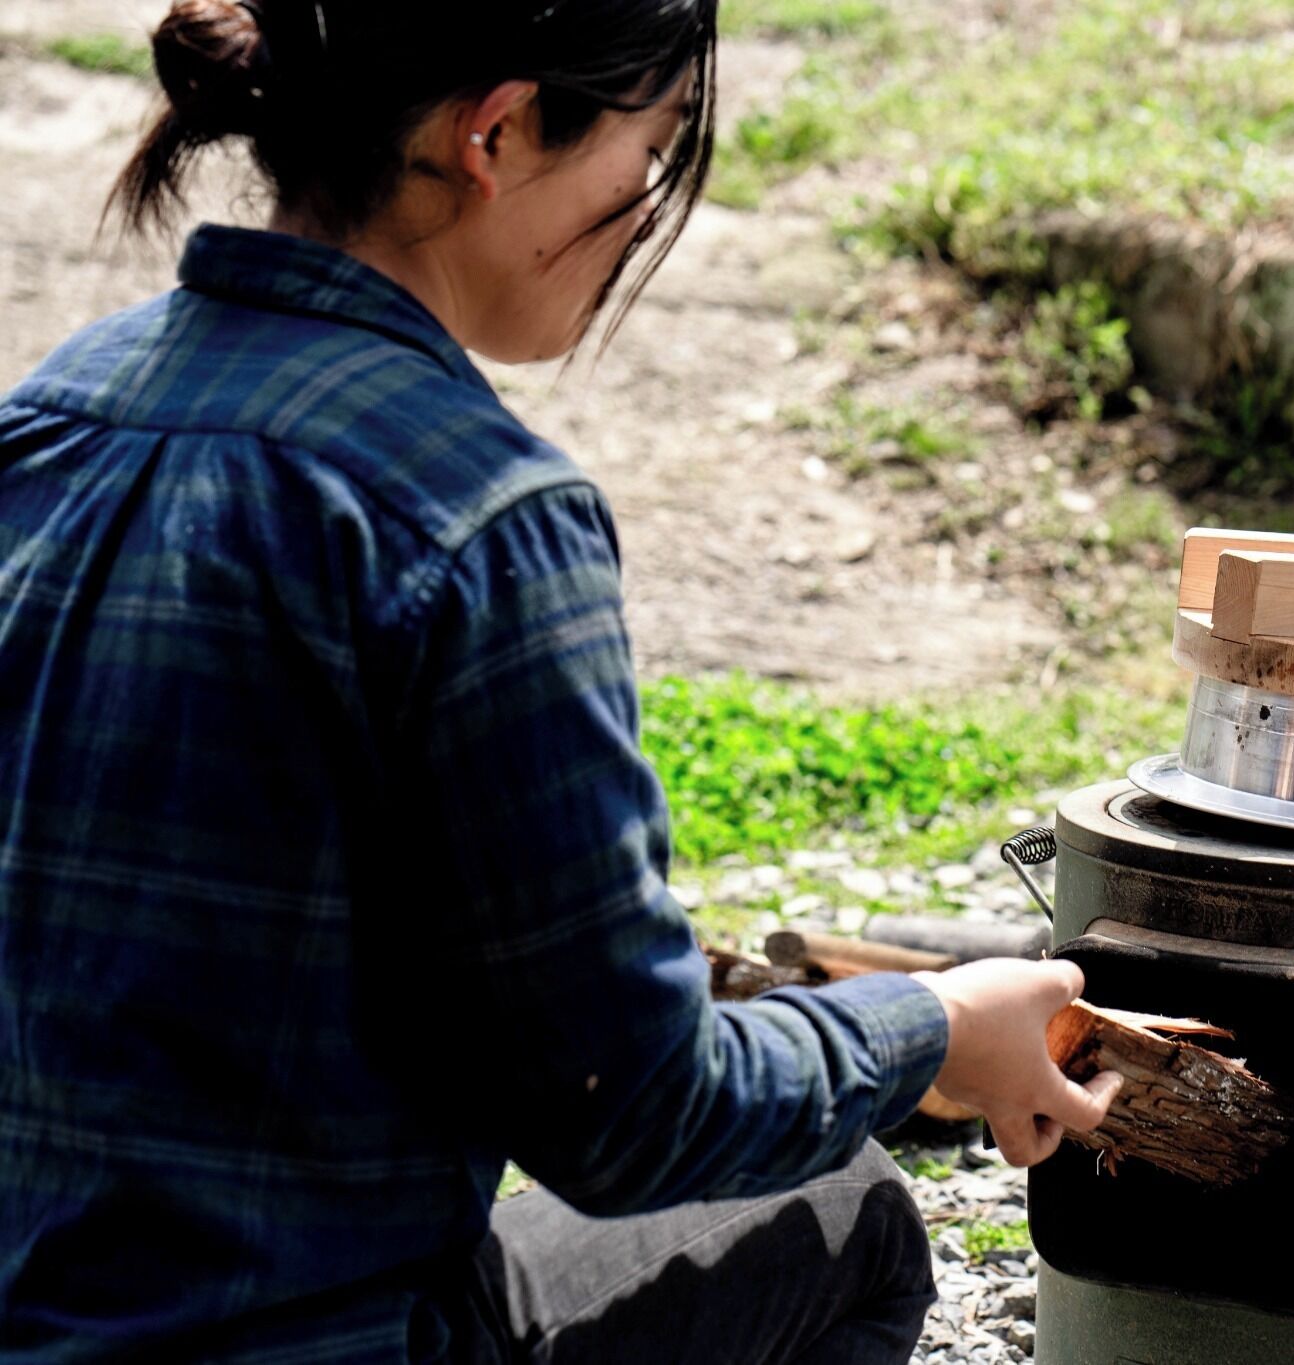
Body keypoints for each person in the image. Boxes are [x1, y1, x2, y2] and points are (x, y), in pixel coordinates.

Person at [0, 1, 1120, 1360]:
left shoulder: (50, 417)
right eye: (646, 154)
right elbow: (636, 1118)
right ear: (500, 131)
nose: (644, 206)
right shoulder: (478, 516)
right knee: (849, 1215)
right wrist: (933, 1025)